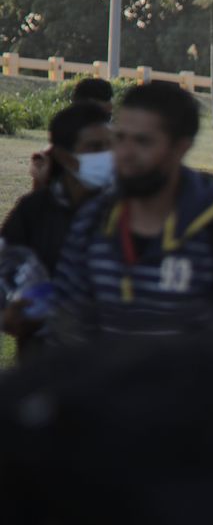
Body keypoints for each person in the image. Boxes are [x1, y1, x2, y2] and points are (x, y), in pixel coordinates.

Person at [47, 82, 213, 345]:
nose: (125, 154)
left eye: (143, 141)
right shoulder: (93, 222)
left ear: (181, 148)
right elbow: (63, 334)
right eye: (120, 138)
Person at [2, 104, 113, 360]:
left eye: (111, 146)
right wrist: (11, 316)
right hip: (43, 369)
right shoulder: (34, 210)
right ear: (64, 156)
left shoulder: (128, 208)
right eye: (96, 148)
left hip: (111, 375)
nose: (108, 157)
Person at [29, 77, 115, 192]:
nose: (103, 124)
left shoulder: (120, 157)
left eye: (107, 117)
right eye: (95, 117)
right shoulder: (49, 161)